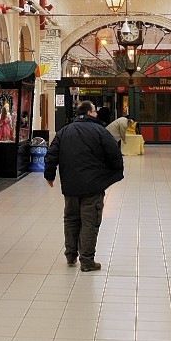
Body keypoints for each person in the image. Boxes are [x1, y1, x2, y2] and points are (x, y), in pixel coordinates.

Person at [44, 100, 123, 272]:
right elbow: (114, 155)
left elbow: (51, 155)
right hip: (93, 187)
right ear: (89, 113)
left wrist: (49, 175)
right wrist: (114, 174)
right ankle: (87, 260)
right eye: (94, 111)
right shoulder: (100, 131)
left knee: (71, 219)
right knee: (90, 222)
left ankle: (71, 255)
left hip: (70, 186)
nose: (96, 113)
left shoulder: (64, 131)